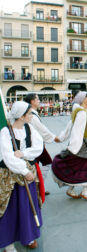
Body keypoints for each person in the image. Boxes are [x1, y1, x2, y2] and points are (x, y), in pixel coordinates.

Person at [0, 101, 43, 252]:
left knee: (27, 207)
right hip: (11, 176)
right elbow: (7, 156)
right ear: (21, 116)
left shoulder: (29, 128)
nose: (31, 116)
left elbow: (39, 147)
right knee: (10, 209)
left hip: (29, 174)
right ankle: (8, 244)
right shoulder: (6, 132)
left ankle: (28, 236)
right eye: (29, 113)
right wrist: (24, 171)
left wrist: (23, 153)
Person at [52, 91, 87, 202]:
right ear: (83, 100)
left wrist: (62, 138)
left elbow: (70, 126)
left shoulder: (82, 111)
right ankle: (84, 191)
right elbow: (76, 131)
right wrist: (72, 148)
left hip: (84, 144)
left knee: (79, 167)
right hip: (84, 145)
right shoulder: (82, 113)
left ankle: (72, 189)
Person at [24, 94, 60, 195]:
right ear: (32, 101)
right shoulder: (32, 115)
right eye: (37, 99)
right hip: (36, 145)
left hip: (36, 144)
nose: (39, 101)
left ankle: (38, 188)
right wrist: (54, 137)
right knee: (46, 162)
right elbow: (42, 130)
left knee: (38, 165)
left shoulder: (32, 113)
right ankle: (39, 188)